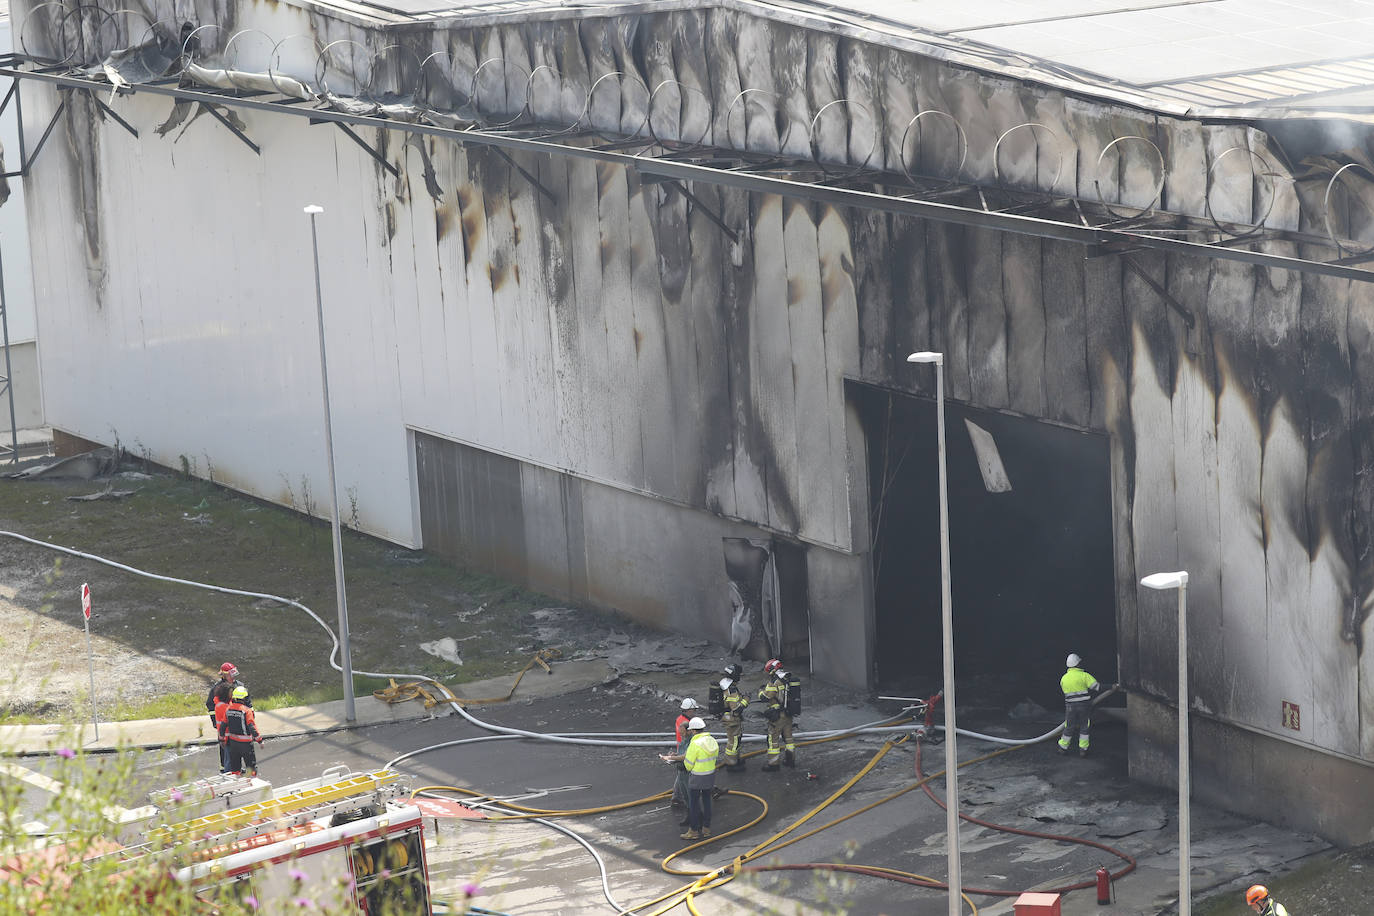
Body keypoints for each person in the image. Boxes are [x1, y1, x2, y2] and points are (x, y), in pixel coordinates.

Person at [661, 717, 718, 840]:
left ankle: (693, 831)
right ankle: (706, 829)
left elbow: (688, 764)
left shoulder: (695, 743)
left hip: (696, 777)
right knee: (707, 802)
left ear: (692, 730)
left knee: (694, 804)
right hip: (710, 776)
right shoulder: (712, 740)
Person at [206, 662, 249, 772]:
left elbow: (248, 702)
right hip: (223, 723)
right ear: (224, 675)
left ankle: (236, 767)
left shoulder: (239, 686)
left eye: (234, 674)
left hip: (237, 721)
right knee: (224, 744)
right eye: (230, 674)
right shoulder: (217, 688)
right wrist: (215, 722)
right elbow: (210, 705)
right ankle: (224, 767)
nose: (233, 677)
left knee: (237, 744)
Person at [1058, 652, 1102, 757]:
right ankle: (1083, 749)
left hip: (1070, 707)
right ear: (1078, 664)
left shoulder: (1064, 678)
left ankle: (1062, 747)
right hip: (1084, 706)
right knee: (1084, 727)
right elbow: (1097, 687)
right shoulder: (1084, 675)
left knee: (1069, 726)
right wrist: (1112, 686)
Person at [757, 659, 796, 771]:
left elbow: (765, 697)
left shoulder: (774, 682)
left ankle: (773, 764)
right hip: (788, 714)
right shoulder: (788, 679)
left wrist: (760, 690)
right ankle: (790, 761)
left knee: (772, 739)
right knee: (788, 738)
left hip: (777, 716)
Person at [219, 685, 263, 776]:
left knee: (235, 767)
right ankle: (253, 783)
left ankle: (237, 784)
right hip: (246, 744)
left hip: (233, 744)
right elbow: (252, 726)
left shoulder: (228, 709)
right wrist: (259, 740)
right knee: (251, 767)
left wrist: (222, 739)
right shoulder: (246, 711)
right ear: (244, 698)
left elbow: (223, 725)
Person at [671, 698, 700, 815]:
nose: (694, 712)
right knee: (686, 773)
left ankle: (676, 797)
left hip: (683, 747)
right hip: (685, 748)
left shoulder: (681, 719)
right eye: (693, 710)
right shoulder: (685, 721)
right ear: (689, 710)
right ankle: (677, 797)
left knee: (682, 774)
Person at [719, 668, 749, 772]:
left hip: (728, 718)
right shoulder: (732, 690)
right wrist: (746, 700)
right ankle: (731, 764)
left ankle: (735, 759)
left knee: (736, 739)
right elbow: (736, 709)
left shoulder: (725, 686)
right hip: (732, 719)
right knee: (734, 741)